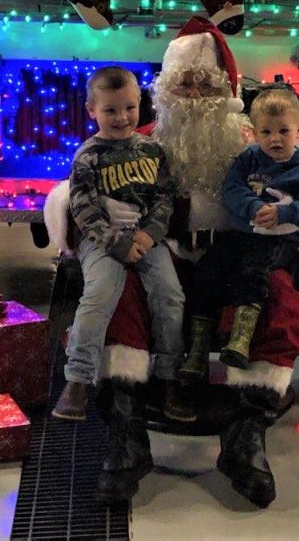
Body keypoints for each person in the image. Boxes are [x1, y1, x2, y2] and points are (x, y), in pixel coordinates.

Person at [44, 17, 299, 507]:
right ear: (167, 89)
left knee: (281, 303)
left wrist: (297, 216)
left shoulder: (252, 140)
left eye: (207, 83)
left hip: (241, 253)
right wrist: (83, 223)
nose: (196, 93)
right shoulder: (143, 138)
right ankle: (127, 439)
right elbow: (83, 185)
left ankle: (244, 441)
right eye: (185, 82)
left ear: (227, 90)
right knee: (120, 303)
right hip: (161, 250)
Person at [52, 66, 194, 424]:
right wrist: (117, 244)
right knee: (99, 295)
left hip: (147, 239)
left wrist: (149, 235)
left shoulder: (152, 151)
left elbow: (164, 199)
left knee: (170, 295)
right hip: (102, 242)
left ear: (139, 105)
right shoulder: (88, 156)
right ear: (92, 111)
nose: (122, 117)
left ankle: (168, 377)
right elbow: (82, 208)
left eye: (129, 108)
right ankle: (78, 380)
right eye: (111, 110)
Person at [180, 85, 299, 378]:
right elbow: (231, 188)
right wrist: (251, 206)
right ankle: (197, 350)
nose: (275, 139)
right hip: (242, 233)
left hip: (278, 239)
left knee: (253, 271)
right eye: (267, 132)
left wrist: (284, 212)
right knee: (209, 270)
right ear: (254, 132)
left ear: (298, 129)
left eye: (283, 131)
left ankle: (240, 340)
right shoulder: (248, 159)